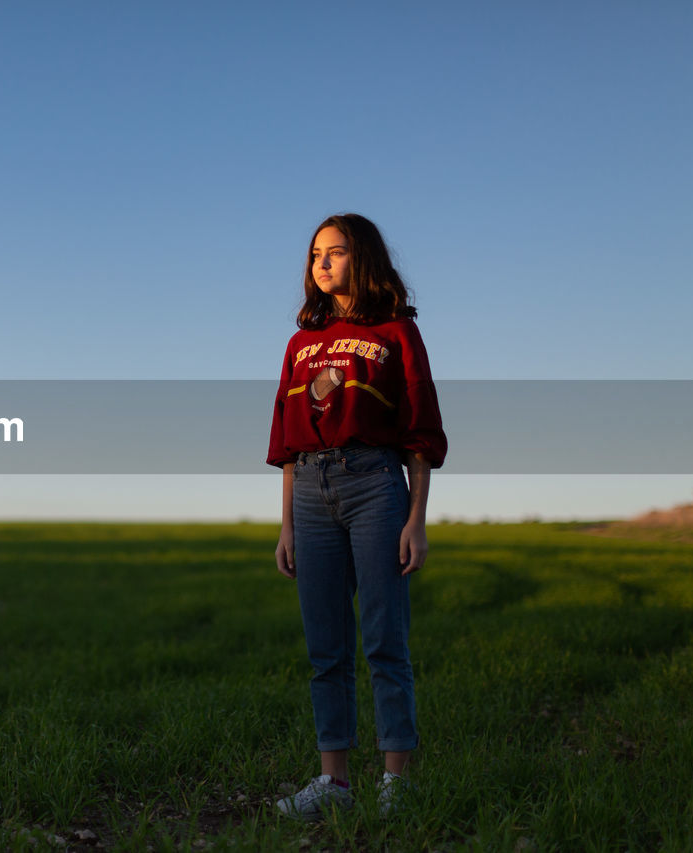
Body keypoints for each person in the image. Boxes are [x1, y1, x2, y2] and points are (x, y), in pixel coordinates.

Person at [266, 213, 447, 820]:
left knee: (384, 641)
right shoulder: (299, 345)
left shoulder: (397, 332)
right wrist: (287, 525)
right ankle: (334, 783)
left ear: (361, 260)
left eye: (336, 252)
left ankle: (396, 782)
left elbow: (420, 429)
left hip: (375, 484)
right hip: (311, 492)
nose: (322, 263)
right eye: (316, 253)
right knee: (326, 648)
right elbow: (288, 445)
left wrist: (416, 517)